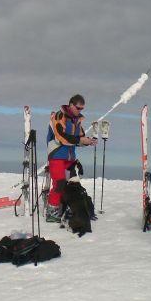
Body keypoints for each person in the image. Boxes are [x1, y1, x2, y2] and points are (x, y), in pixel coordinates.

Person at [45, 94, 97, 222]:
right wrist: (80, 140)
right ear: (71, 105)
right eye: (78, 108)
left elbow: (79, 138)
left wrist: (88, 141)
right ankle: (51, 212)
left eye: (82, 109)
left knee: (72, 184)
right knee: (59, 183)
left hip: (69, 157)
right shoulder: (58, 116)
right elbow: (61, 137)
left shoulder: (77, 120)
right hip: (56, 155)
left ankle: (66, 208)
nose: (80, 111)